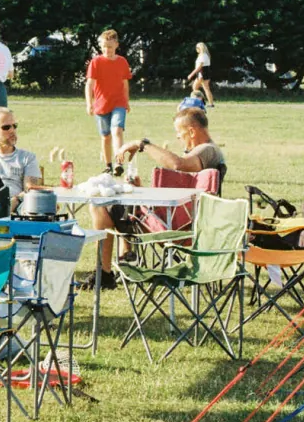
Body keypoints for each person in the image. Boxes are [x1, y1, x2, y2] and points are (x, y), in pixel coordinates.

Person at [84, 105, 227, 289]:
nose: (177, 137)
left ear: (192, 131)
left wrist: (142, 144)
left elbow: (178, 164)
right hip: (177, 220)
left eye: (179, 132)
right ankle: (124, 259)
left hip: (175, 226)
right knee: (118, 206)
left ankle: (106, 272)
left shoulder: (208, 150)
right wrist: (141, 189)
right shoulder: (203, 153)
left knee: (100, 205)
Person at [84, 28, 133, 165]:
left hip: (119, 102)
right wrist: (89, 103)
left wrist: (126, 101)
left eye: (110, 47)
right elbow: (89, 84)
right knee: (106, 137)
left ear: (116, 45)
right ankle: (108, 165)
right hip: (101, 104)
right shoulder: (96, 62)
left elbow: (125, 84)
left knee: (117, 131)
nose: (107, 50)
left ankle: (119, 162)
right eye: (104, 46)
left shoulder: (122, 62)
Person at [0, 106, 43, 203]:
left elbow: (30, 190)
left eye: (14, 126)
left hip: (19, 206)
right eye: (6, 127)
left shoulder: (27, 158)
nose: (12, 130)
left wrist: (14, 201)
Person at [187, 42, 215, 107]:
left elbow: (199, 67)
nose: (196, 49)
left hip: (202, 73)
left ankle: (210, 104)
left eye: (197, 48)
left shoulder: (203, 56)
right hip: (202, 73)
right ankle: (200, 101)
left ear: (200, 48)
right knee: (195, 87)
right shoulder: (203, 55)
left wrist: (191, 74)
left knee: (206, 88)